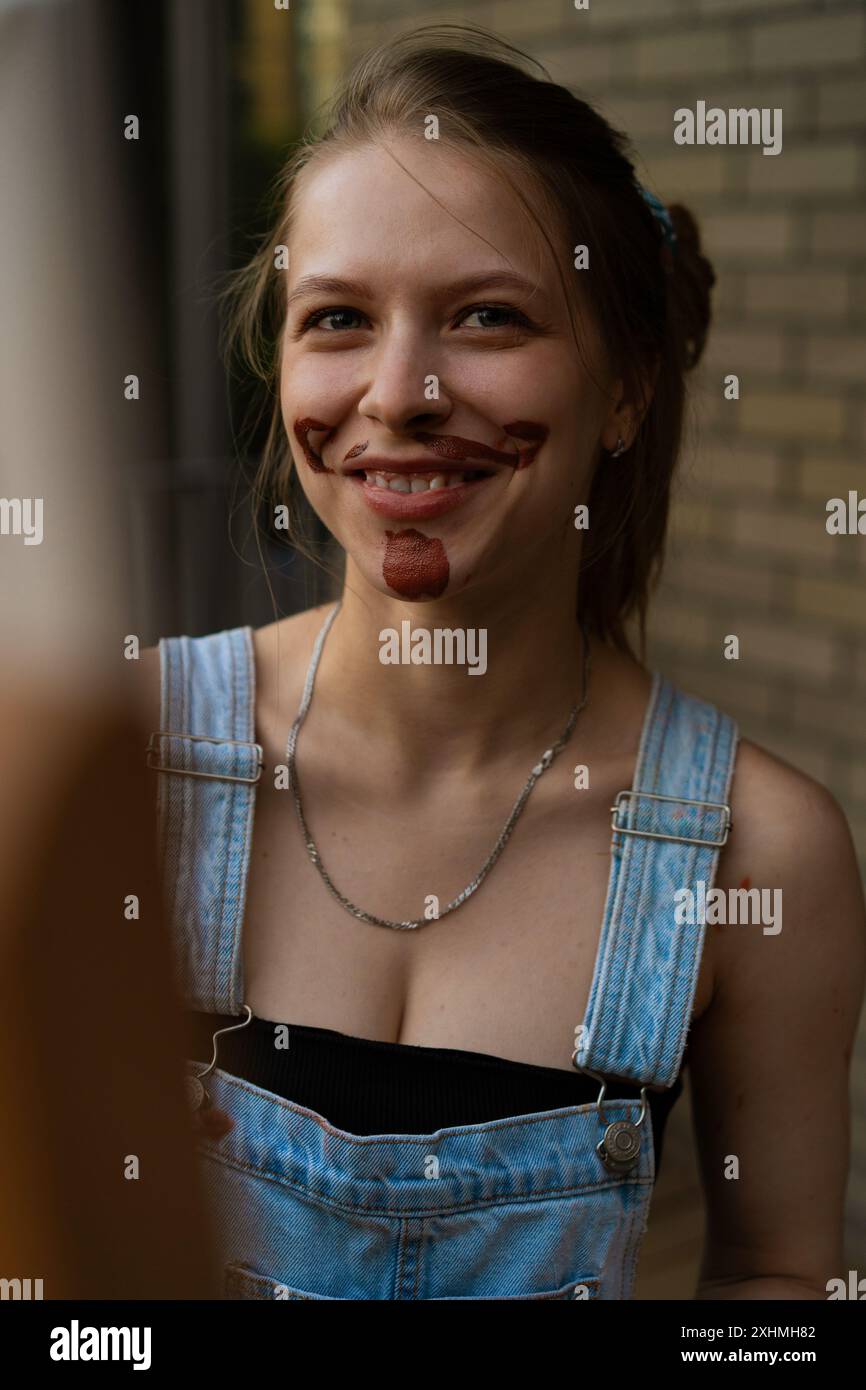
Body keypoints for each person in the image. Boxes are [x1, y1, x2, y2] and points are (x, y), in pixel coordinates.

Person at [140, 26, 865, 1300]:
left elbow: (776, 1287)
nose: (399, 391)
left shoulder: (758, 853)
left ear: (627, 383)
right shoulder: (127, 762)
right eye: (339, 319)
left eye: (485, 316)